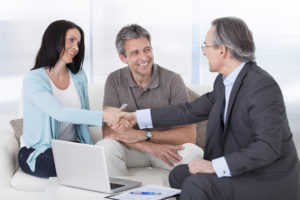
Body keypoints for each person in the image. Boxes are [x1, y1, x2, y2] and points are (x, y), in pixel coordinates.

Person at [118, 17, 300, 200]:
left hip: (268, 180)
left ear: (222, 50)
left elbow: (267, 147)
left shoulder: (261, 86)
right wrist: (136, 117)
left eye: (206, 46)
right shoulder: (224, 82)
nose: (204, 53)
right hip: (245, 172)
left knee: (196, 184)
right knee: (179, 175)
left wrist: (214, 166)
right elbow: (188, 111)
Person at [96, 24, 203, 176]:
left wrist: (146, 135)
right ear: (123, 58)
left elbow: (189, 135)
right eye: (135, 53)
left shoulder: (173, 80)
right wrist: (148, 147)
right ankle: (119, 193)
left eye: (147, 49)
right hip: (133, 149)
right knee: (105, 147)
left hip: (168, 149)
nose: (144, 57)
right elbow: (107, 131)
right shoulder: (114, 80)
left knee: (194, 152)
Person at [19, 20, 122, 178]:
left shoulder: (78, 76)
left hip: (69, 147)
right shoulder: (34, 79)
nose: (76, 47)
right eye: (71, 40)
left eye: (78, 43)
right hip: (38, 151)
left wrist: (113, 117)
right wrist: (102, 116)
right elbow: (58, 112)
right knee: (67, 167)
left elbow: (83, 115)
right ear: (54, 40)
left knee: (100, 163)